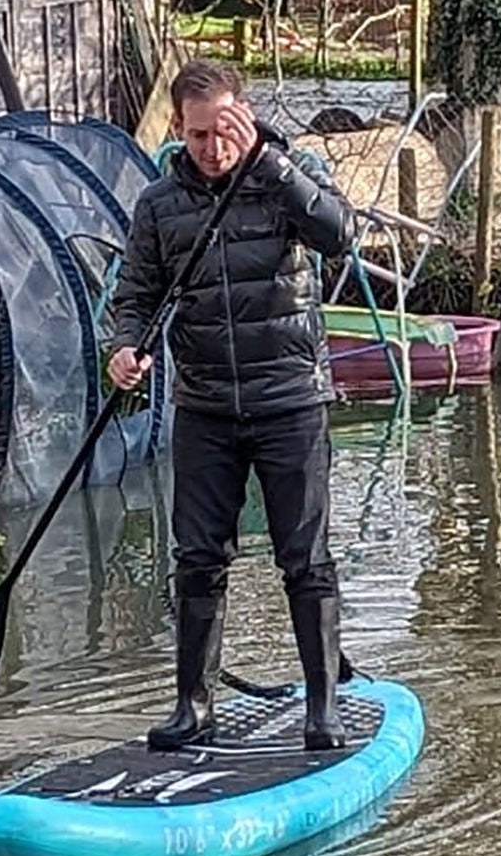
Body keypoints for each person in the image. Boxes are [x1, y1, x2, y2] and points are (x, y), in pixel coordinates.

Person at [105, 59, 359, 750]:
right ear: (180, 133)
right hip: (206, 405)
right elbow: (136, 295)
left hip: (291, 400)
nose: (211, 149)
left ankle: (323, 705)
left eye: (222, 132)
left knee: (304, 557)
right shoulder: (159, 204)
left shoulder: (287, 174)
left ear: (243, 115)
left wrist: (268, 164)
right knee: (197, 558)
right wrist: (126, 347)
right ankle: (193, 705)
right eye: (195, 137)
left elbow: (339, 233)